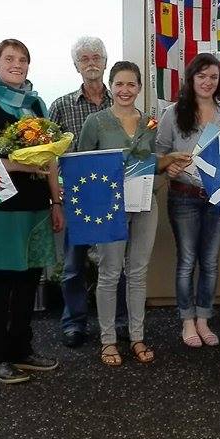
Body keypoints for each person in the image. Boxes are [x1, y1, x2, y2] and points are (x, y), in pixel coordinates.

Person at [0, 39, 63, 384]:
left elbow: (50, 156)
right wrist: (22, 165)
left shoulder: (37, 103)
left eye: (22, 59)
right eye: (9, 59)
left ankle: (22, 350)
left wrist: (56, 202)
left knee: (28, 282)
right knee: (3, 283)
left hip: (36, 205)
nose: (16, 64)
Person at [77, 61, 184, 366]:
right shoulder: (96, 123)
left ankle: (137, 337)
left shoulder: (151, 123)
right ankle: (108, 341)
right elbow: (83, 165)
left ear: (139, 88)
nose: (125, 90)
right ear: (111, 88)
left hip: (145, 206)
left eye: (131, 85)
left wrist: (161, 180)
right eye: (119, 84)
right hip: (108, 209)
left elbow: (159, 163)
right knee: (109, 274)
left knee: (137, 273)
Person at [48, 36, 127, 348]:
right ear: (76, 65)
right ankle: (74, 322)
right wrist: (57, 195)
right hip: (75, 200)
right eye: (84, 59)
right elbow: (48, 156)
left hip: (112, 199)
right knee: (72, 266)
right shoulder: (60, 107)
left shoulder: (120, 102)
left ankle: (118, 321)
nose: (91, 63)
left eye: (97, 57)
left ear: (105, 62)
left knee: (115, 264)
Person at [155, 53, 220, 348]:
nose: (207, 82)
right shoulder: (174, 113)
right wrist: (169, 164)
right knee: (187, 261)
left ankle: (204, 318)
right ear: (191, 79)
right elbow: (160, 154)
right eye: (201, 76)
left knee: (211, 262)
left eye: (213, 77)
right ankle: (186, 320)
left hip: (216, 197)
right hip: (183, 198)